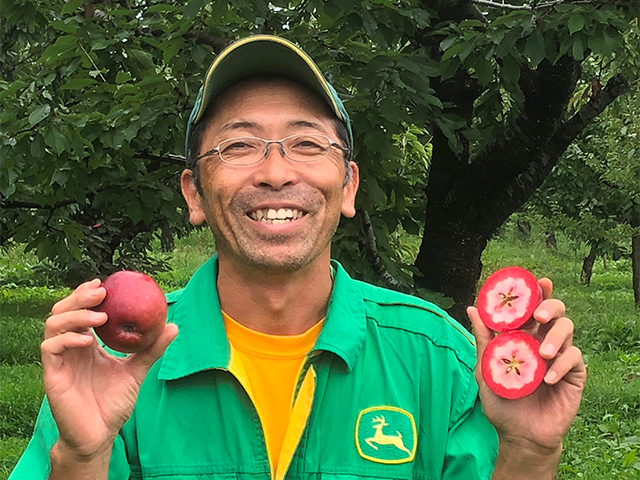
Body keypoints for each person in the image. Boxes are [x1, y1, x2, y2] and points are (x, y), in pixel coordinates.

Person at [10, 35, 586, 480]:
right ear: (193, 193)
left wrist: (530, 453)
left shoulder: (437, 359)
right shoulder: (113, 365)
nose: (277, 172)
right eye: (238, 145)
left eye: (308, 143)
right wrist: (82, 457)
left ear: (349, 185)